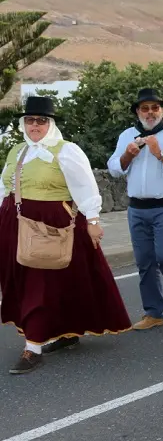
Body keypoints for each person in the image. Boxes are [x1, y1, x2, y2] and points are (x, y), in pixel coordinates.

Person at [0, 96, 131, 374]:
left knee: (40, 283)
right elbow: (4, 187)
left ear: (51, 124)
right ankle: (67, 331)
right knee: (53, 281)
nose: (35, 125)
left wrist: (93, 220)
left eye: (42, 120)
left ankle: (33, 346)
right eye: (30, 120)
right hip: (15, 223)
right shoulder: (16, 152)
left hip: (50, 226)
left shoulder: (66, 151)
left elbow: (85, 186)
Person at [107, 88, 163, 331]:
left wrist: (160, 154)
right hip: (137, 208)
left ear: (162, 110)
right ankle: (153, 313)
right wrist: (127, 155)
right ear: (137, 111)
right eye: (144, 108)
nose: (150, 112)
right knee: (145, 262)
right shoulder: (128, 135)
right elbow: (114, 168)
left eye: (155, 107)